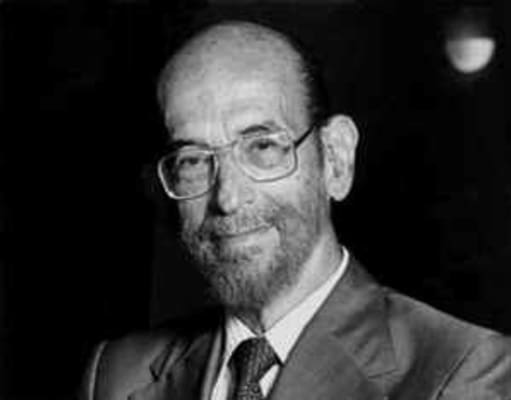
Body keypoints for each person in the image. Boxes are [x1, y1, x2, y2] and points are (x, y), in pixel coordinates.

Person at [80, 20, 511, 400]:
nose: (228, 198)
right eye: (193, 160)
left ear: (335, 159)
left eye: (263, 147)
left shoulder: (462, 371)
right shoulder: (117, 375)